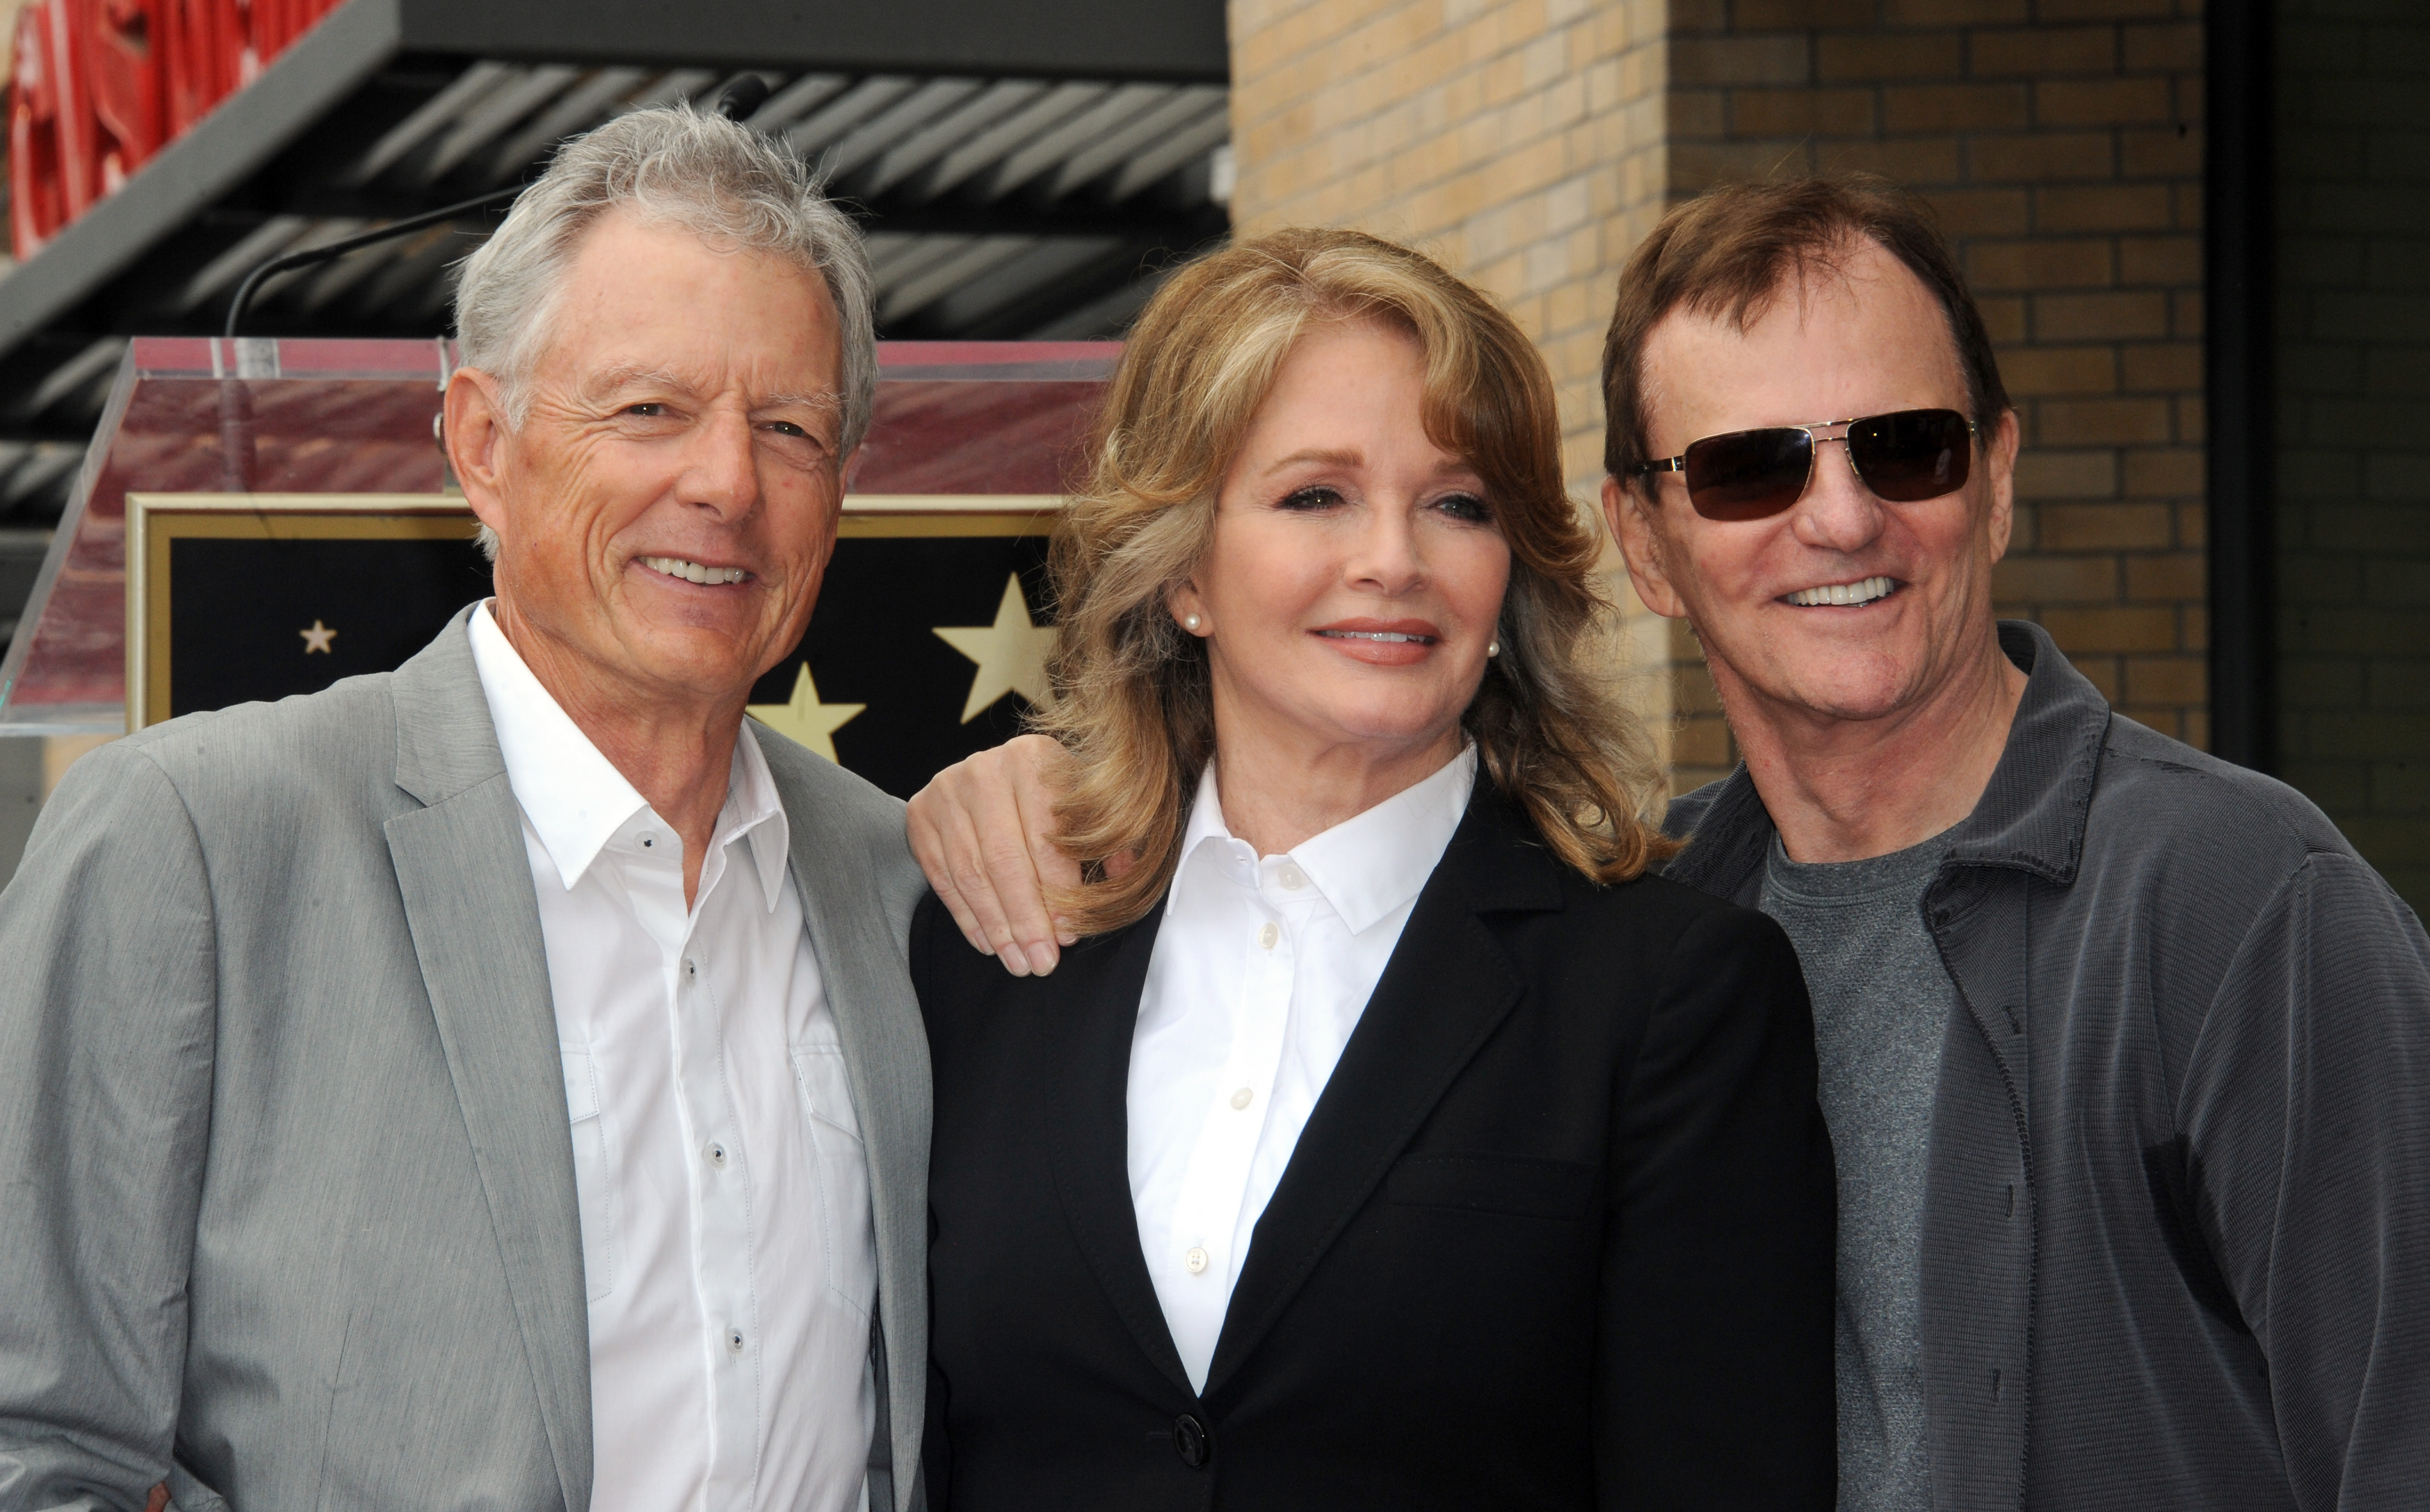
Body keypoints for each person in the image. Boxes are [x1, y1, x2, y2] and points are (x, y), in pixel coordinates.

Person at [909, 177, 2430, 1509]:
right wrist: (1017, 793)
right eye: (1754, 467)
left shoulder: (2239, 908)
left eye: (1907, 448)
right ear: (1643, 542)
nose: (1841, 519)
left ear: (2003, 475)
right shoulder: (1667, 897)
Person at [0, 107, 930, 1512]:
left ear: (840, 492)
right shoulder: (190, 846)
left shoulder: (904, 884)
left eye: (789, 429)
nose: (728, 483)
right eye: (650, 409)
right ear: (482, 442)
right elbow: (34, 1450)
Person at [911, 228, 1835, 1510]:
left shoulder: (1671, 995)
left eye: (1457, 504)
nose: (1393, 560)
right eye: (1315, 496)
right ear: (1185, 568)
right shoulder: (996, 946)